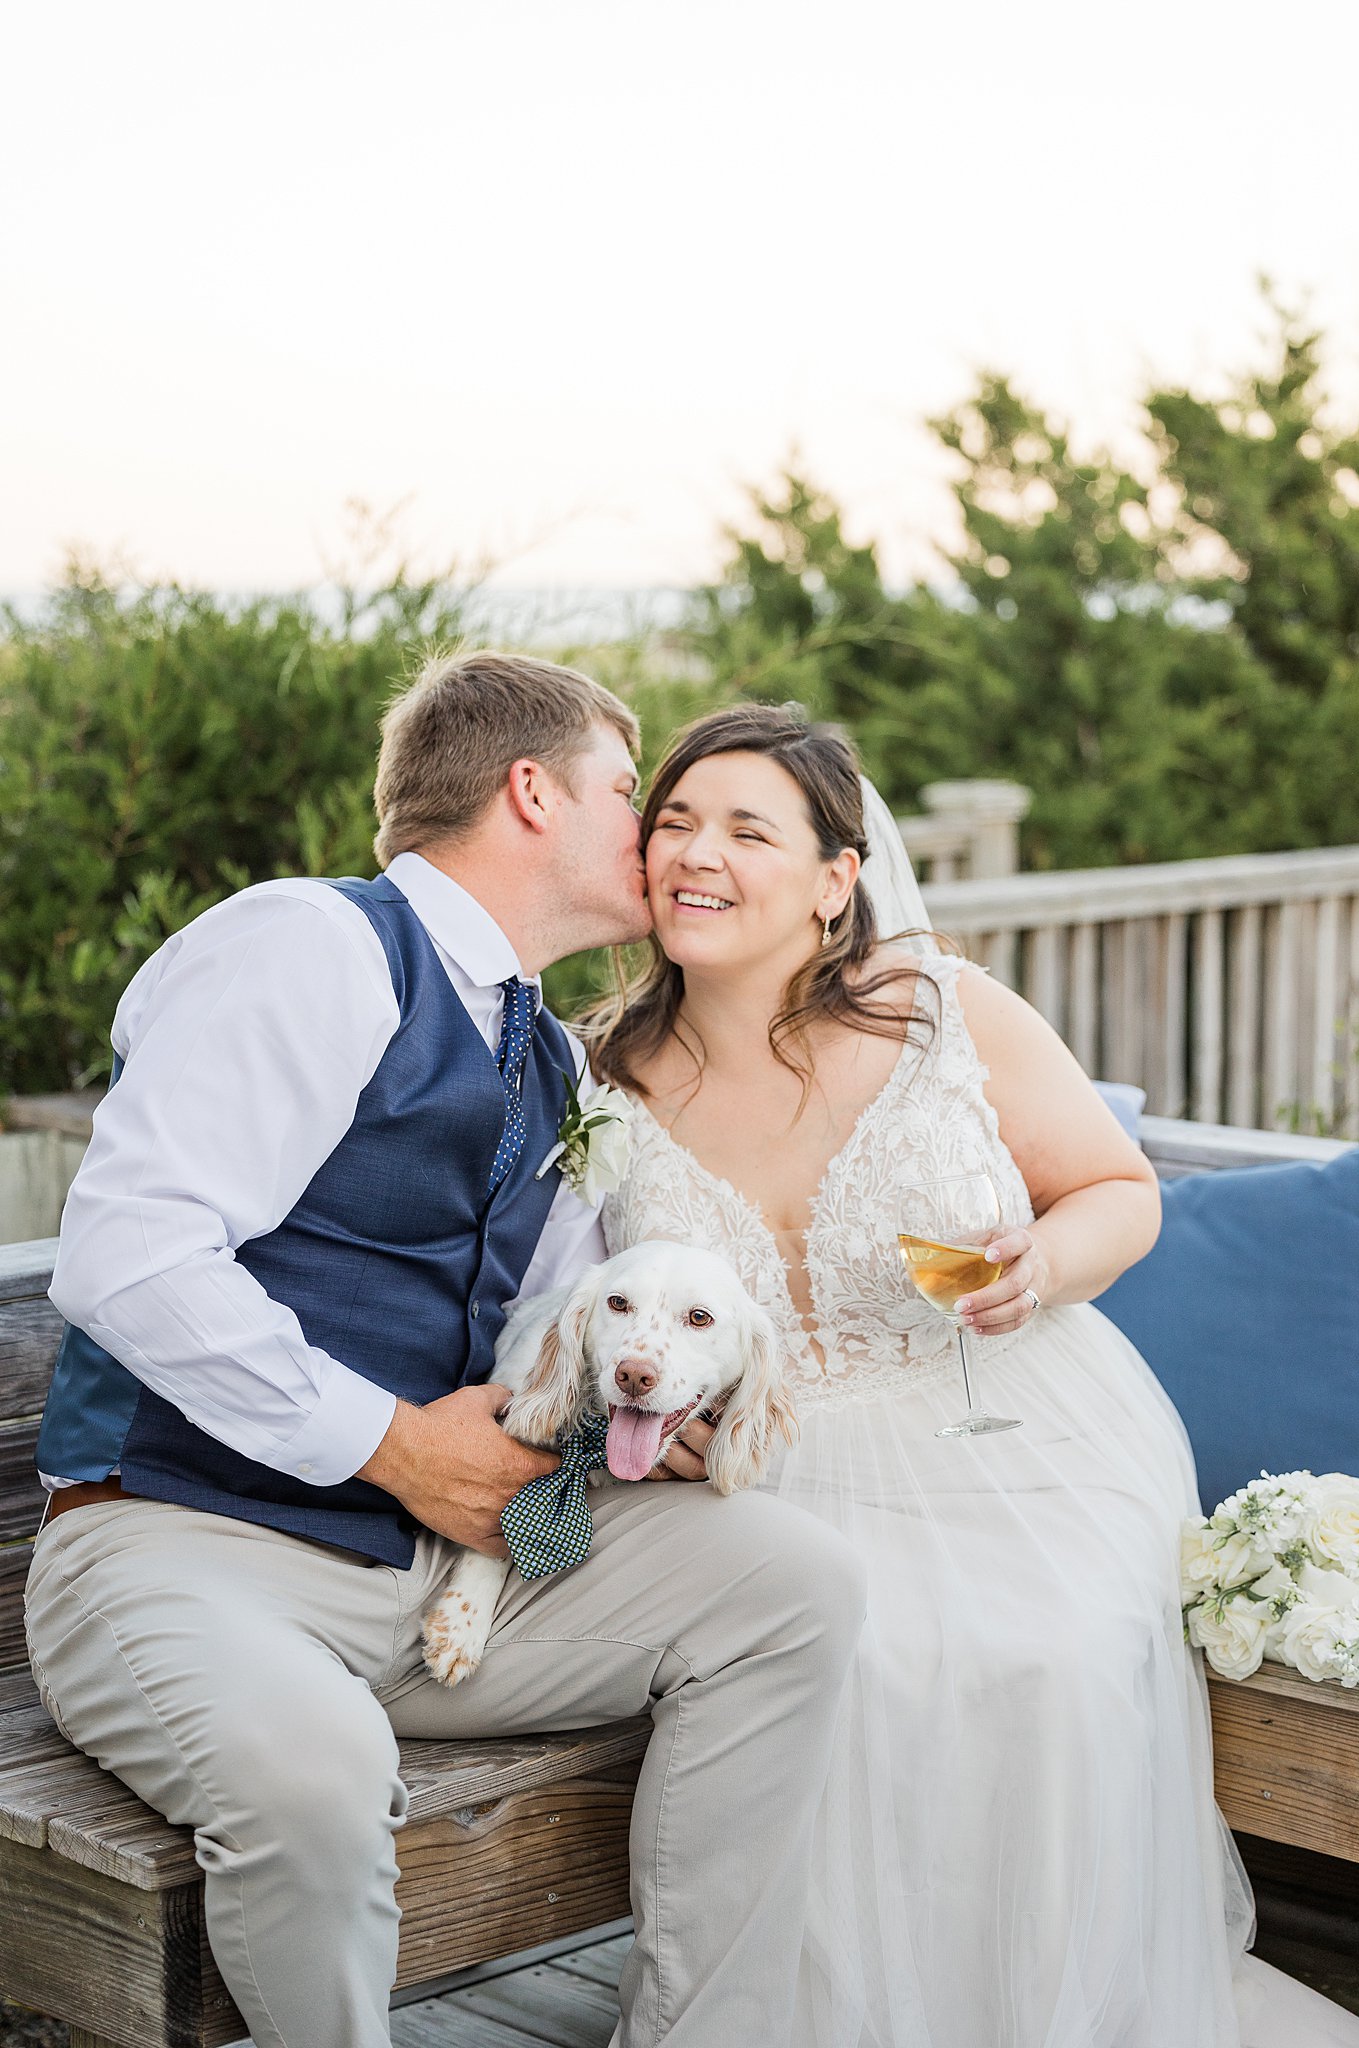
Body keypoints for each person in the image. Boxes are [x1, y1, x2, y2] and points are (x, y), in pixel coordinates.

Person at [23, 652, 866, 2048]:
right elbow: (128, 1253)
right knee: (315, 1773)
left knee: (794, 1586)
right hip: (183, 1544)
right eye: (625, 791)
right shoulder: (308, 945)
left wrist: (649, 1415)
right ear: (531, 793)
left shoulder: (553, 1062)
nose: (652, 830)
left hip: (444, 1572)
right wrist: (398, 1446)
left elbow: (559, 1339)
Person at [585, 700, 1359, 2048]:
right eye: (673, 823)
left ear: (836, 880)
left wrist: (1039, 1266)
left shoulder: (944, 1010)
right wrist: (646, 1402)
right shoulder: (596, 1078)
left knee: (1039, 1650)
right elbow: (579, 1313)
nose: (695, 853)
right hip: (770, 1478)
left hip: (1013, 1427)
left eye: (745, 829)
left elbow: (1118, 1190)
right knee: (845, 1669)